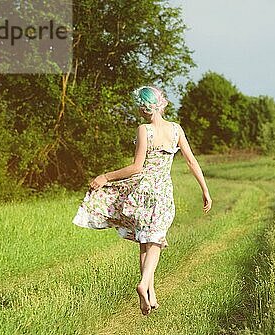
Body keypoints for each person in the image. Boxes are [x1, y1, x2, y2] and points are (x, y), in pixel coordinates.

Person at [72, 85, 212, 315]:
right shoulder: (176, 130)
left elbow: (137, 168)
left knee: (145, 241)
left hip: (143, 192)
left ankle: (149, 293)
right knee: (155, 242)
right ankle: (145, 284)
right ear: (161, 104)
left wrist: (106, 176)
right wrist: (205, 189)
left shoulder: (144, 130)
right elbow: (191, 161)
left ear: (143, 108)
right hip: (162, 192)